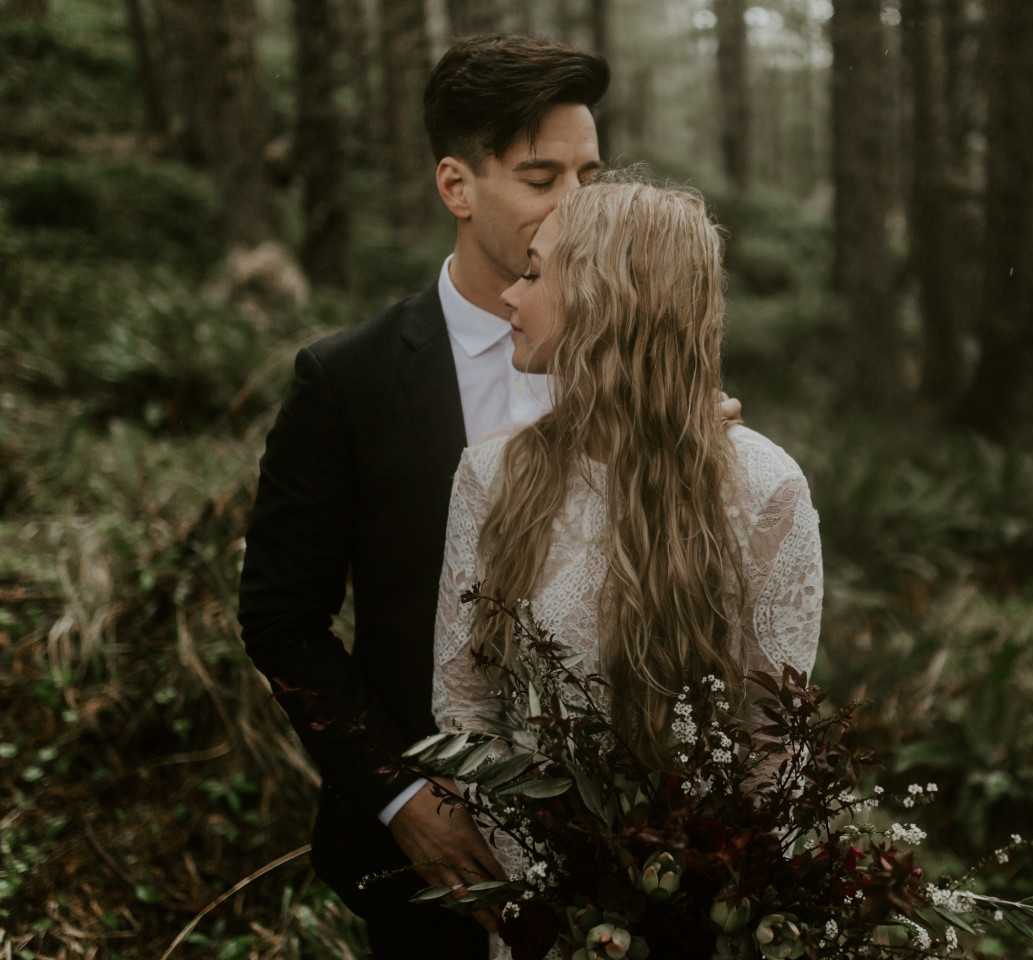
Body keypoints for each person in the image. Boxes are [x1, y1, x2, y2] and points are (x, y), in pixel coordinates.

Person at [238, 36, 613, 958]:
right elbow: (282, 615)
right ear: (457, 186)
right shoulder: (346, 381)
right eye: (540, 178)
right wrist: (402, 796)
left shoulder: (632, 364)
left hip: (622, 856)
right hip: (430, 865)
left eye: (590, 176)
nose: (577, 209)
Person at [430, 179, 824, 960]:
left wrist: (706, 904)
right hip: (548, 917)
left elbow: (772, 740)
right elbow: (464, 702)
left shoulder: (762, 486)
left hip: (702, 917)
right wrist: (553, 895)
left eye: (536, 274)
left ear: (608, 300)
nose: (509, 292)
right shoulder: (490, 476)